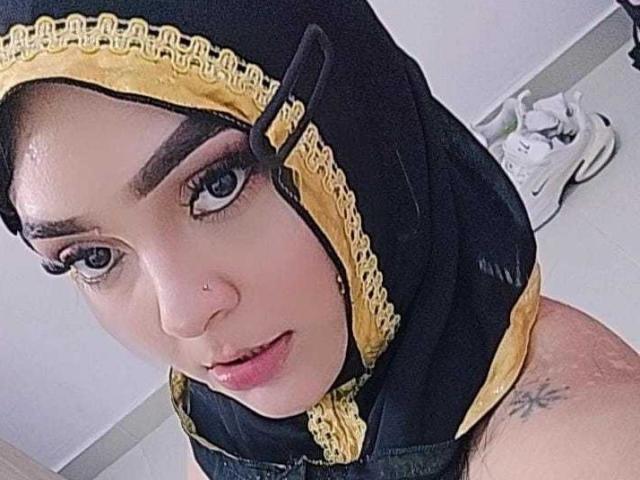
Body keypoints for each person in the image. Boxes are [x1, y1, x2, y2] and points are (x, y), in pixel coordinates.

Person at [0, 2, 637, 479]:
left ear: (352, 123)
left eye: (218, 184)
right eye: (94, 257)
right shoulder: (225, 409)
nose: (182, 315)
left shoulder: (581, 447)